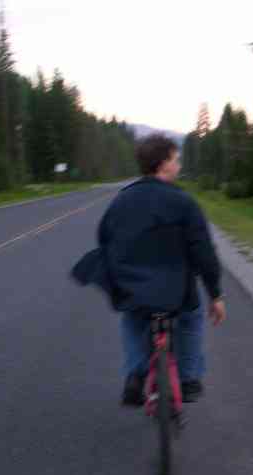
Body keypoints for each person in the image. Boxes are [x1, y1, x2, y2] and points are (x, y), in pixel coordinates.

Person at [72, 133, 226, 406]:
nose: (178, 165)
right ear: (163, 163)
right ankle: (189, 380)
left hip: (134, 287)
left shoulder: (121, 201)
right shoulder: (183, 202)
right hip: (177, 290)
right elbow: (203, 250)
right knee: (191, 318)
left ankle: (135, 375)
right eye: (176, 159)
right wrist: (215, 294)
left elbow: (104, 239)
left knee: (132, 319)